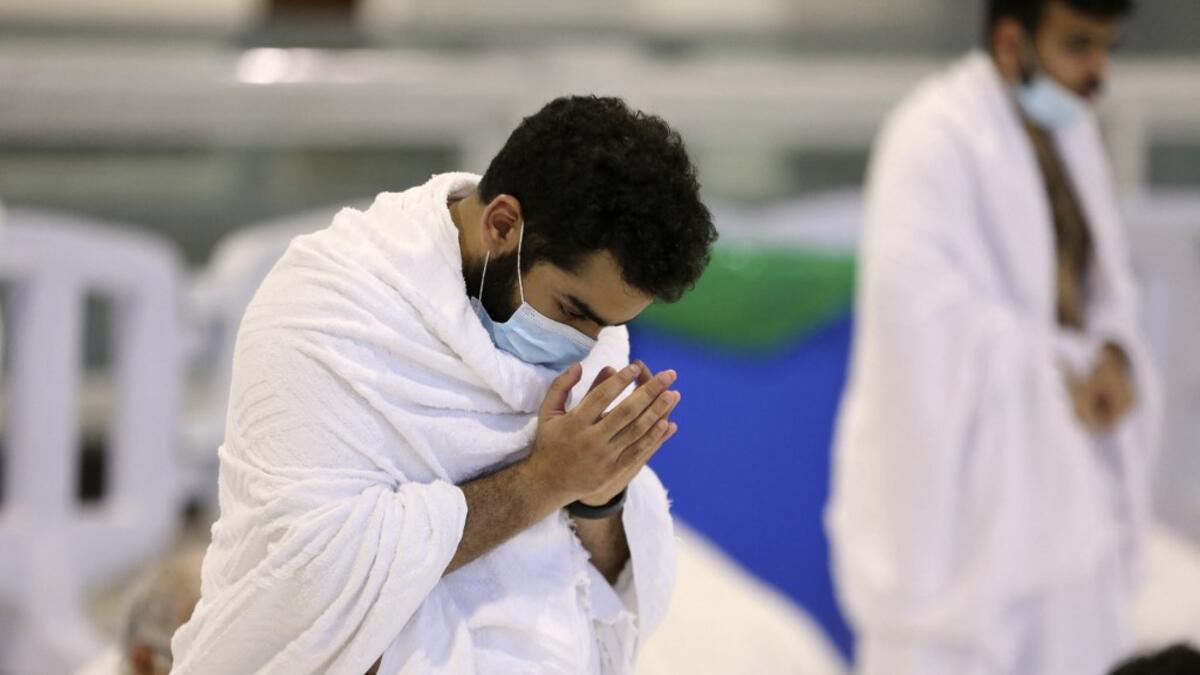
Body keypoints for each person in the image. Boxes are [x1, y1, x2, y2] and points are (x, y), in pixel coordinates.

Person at [170, 95, 716, 674]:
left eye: (607, 326)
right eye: (573, 310)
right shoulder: (328, 303)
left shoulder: (589, 323)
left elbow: (606, 591)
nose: (585, 343)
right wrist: (543, 481)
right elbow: (307, 582)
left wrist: (598, 495)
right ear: (502, 225)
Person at [825, 1, 1160, 673]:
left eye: (1108, 48)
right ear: (1012, 40)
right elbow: (918, 318)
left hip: (1068, 496)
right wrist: (1063, 367)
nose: (1098, 71)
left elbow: (1106, 283)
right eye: (1079, 45)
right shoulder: (931, 134)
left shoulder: (1073, 134)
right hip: (961, 531)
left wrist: (1115, 354)